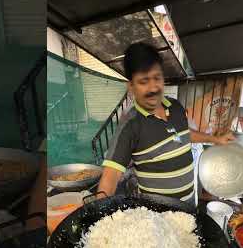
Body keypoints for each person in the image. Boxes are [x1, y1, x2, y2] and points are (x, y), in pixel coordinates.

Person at [97, 42, 235, 204]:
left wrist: (215, 139)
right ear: (131, 86)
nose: (153, 88)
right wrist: (99, 211)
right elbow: (110, 176)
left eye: (157, 78)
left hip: (189, 203)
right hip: (158, 217)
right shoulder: (130, 124)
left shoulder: (175, 106)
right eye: (144, 81)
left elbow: (184, 135)